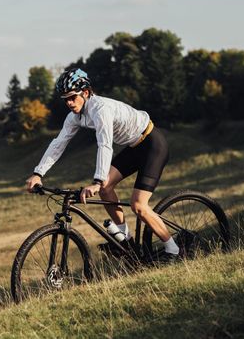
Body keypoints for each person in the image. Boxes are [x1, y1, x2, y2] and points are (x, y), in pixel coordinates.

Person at [25, 67, 180, 262]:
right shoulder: (74, 117)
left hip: (152, 144)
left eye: (73, 97)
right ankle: (126, 240)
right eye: (65, 99)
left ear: (87, 93)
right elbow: (58, 143)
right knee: (107, 188)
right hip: (134, 147)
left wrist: (97, 181)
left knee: (138, 205)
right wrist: (38, 173)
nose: (69, 103)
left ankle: (174, 251)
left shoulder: (101, 109)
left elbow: (105, 144)